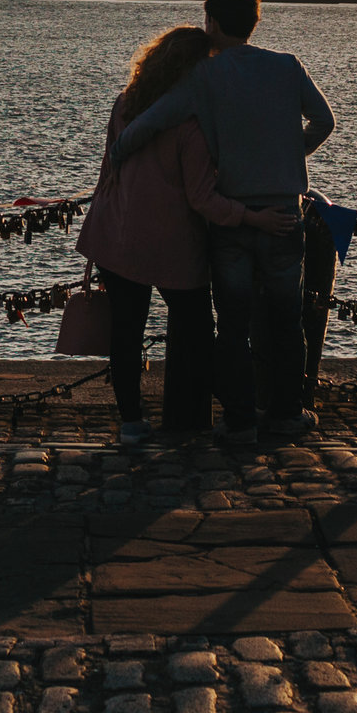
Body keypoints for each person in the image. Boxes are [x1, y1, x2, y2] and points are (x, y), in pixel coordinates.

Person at [106, 0, 333, 442]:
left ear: (210, 21)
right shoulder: (287, 66)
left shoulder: (204, 78)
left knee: (232, 325)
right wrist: (290, 160)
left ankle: (239, 420)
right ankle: (288, 413)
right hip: (285, 212)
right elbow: (324, 121)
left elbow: (149, 123)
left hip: (231, 218)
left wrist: (120, 151)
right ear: (254, 22)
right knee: (287, 319)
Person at [75, 25, 249, 444]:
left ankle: (131, 422)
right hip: (175, 241)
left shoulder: (125, 105)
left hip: (119, 232)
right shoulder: (190, 124)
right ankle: (238, 412)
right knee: (198, 332)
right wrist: (249, 216)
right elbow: (202, 197)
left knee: (126, 332)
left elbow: (107, 172)